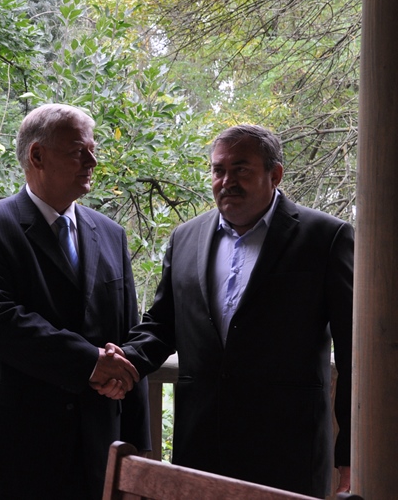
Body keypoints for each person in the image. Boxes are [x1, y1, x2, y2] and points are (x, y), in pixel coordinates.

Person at [118, 124, 352, 498]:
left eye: (241, 169)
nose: (227, 181)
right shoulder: (185, 237)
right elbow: (162, 324)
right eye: (219, 170)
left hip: (287, 452)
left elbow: (354, 352)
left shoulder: (326, 237)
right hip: (199, 449)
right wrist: (124, 361)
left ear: (275, 175)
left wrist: (350, 455)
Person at [0, 103, 150, 500]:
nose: (92, 161)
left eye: (93, 150)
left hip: (96, 451)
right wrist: (90, 362)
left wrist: (138, 448)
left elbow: (128, 335)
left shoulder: (111, 234)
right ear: (37, 156)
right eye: (78, 151)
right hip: (9, 452)